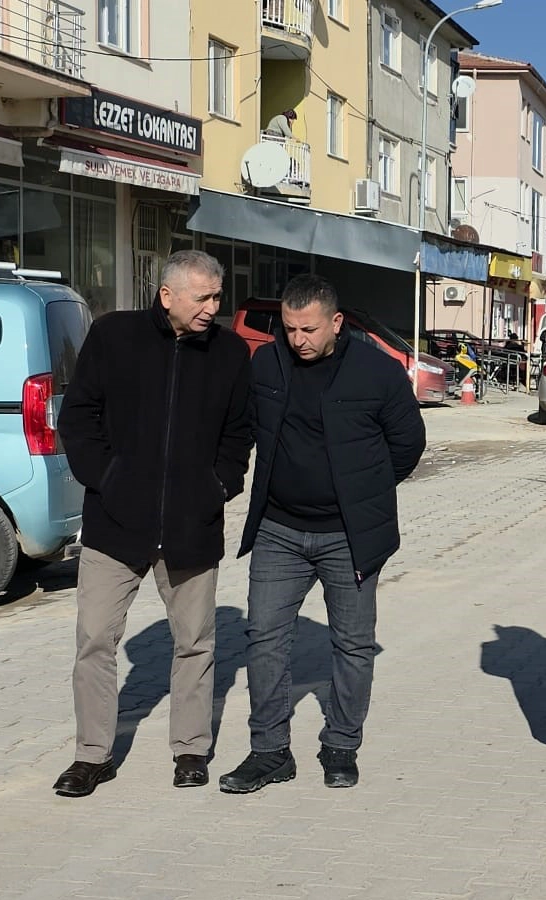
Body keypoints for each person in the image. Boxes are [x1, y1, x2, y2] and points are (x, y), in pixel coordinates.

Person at [53, 250, 252, 797]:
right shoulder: (113, 336)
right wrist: (108, 478)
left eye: (217, 296)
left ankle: (191, 750)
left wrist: (218, 486)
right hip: (114, 523)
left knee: (195, 643)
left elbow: (239, 432)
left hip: (192, 525)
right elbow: (79, 416)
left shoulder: (231, 352)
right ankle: (91, 756)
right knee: (95, 640)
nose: (213, 307)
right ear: (167, 295)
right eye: (202, 297)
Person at [219, 275, 426, 794]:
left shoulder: (377, 371)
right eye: (289, 329)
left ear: (336, 322)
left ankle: (341, 746)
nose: (298, 340)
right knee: (264, 638)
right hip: (278, 530)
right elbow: (245, 428)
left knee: (353, 645)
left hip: (350, 536)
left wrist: (363, 492)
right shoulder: (266, 364)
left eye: (308, 329)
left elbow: (408, 444)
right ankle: (269, 752)